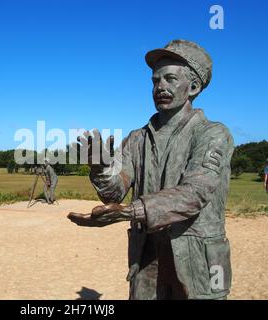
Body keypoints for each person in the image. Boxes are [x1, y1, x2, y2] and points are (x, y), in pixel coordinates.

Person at [68, 40, 234, 300]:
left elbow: (195, 193)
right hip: (147, 261)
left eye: (170, 79)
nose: (160, 87)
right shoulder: (137, 139)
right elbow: (114, 193)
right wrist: (100, 168)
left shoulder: (213, 134)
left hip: (197, 263)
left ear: (193, 86)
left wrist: (131, 211)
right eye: (155, 80)